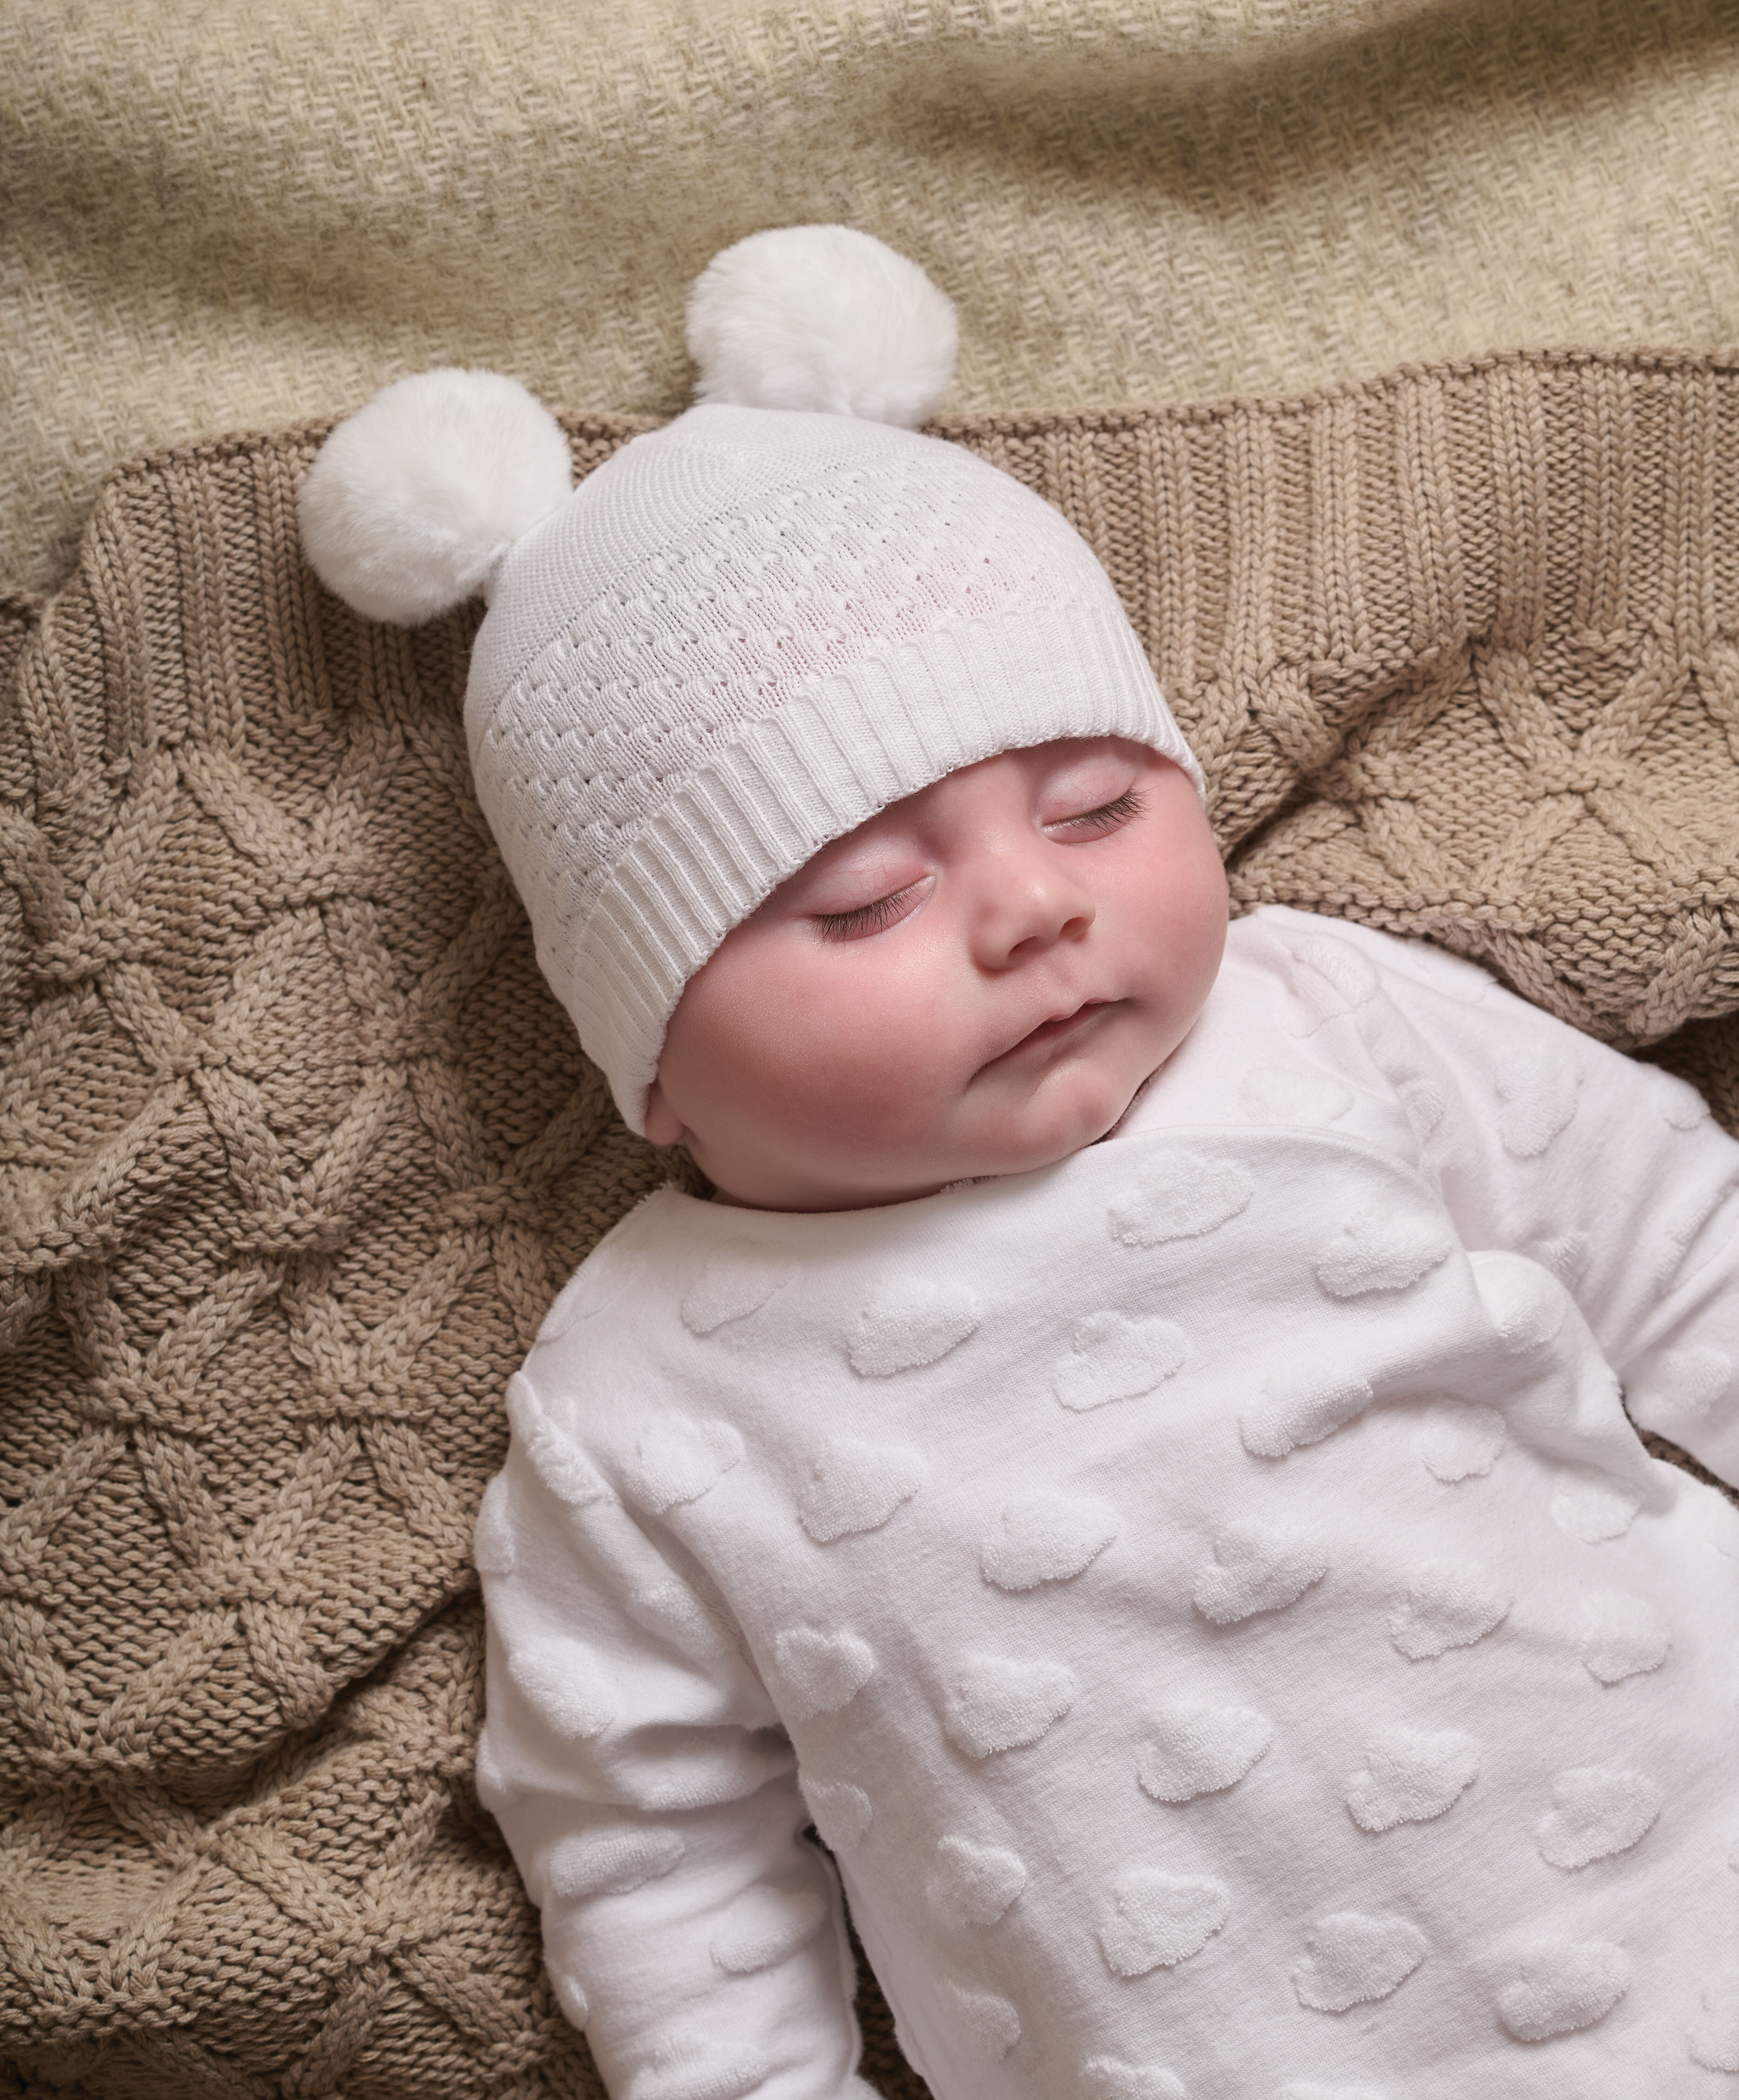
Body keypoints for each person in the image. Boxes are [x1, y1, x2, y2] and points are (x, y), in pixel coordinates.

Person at [299, 227, 1739, 2100]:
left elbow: (1683, 1248)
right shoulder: (640, 1406)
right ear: (648, 1054)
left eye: (1094, 802)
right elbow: (647, 1845)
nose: (1031, 904)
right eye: (863, 895)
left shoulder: (1326, 1026)